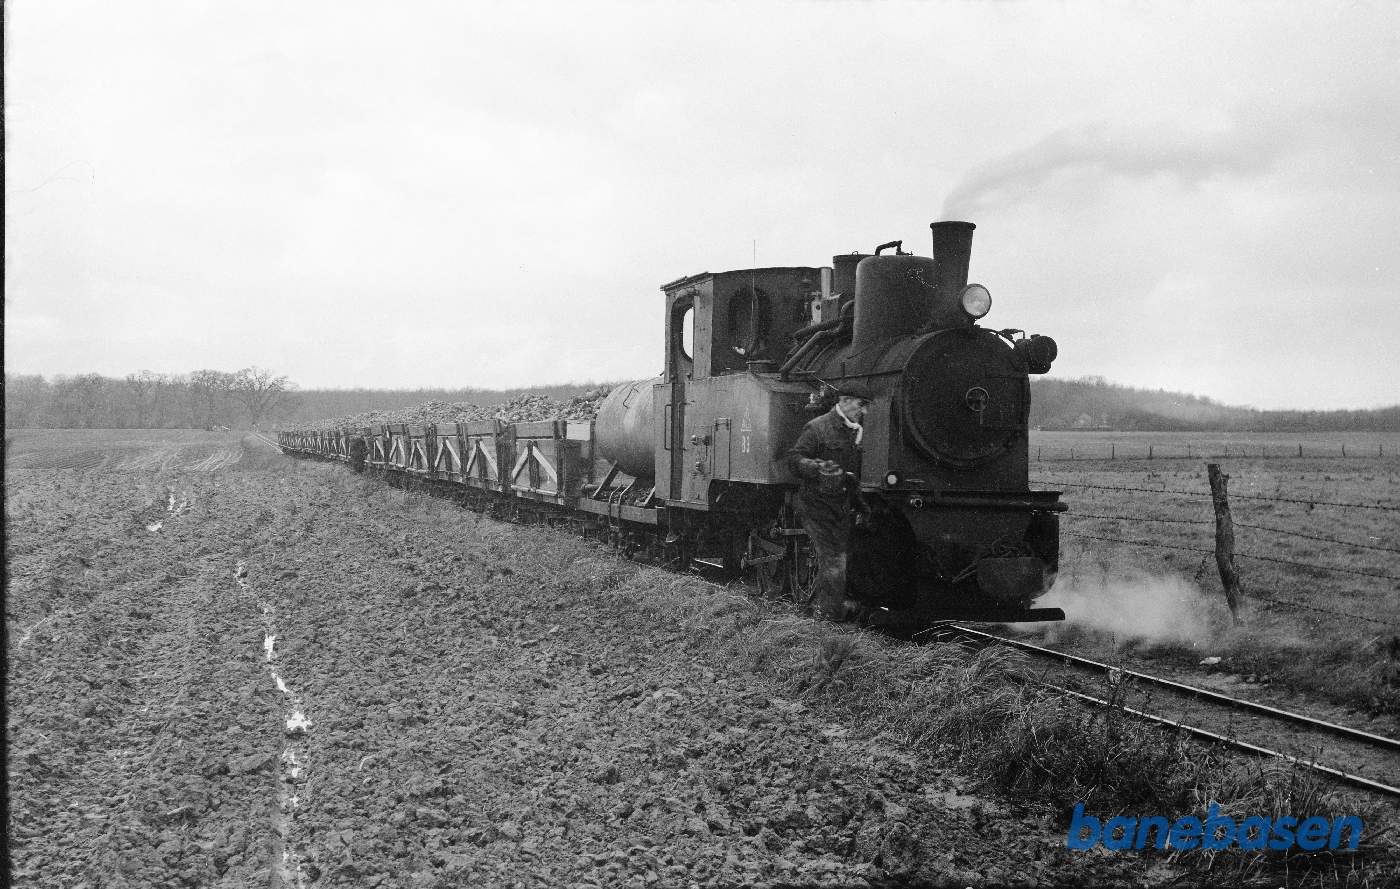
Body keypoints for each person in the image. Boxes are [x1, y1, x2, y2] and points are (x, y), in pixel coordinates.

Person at [786, 383, 873, 620]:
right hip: (817, 505)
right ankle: (829, 622)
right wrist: (816, 467)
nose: (863, 411)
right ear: (844, 401)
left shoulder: (855, 430)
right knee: (834, 561)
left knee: (840, 560)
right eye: (860, 405)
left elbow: (851, 477)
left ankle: (822, 612)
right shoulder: (818, 427)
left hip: (841, 506)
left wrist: (862, 506)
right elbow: (794, 459)